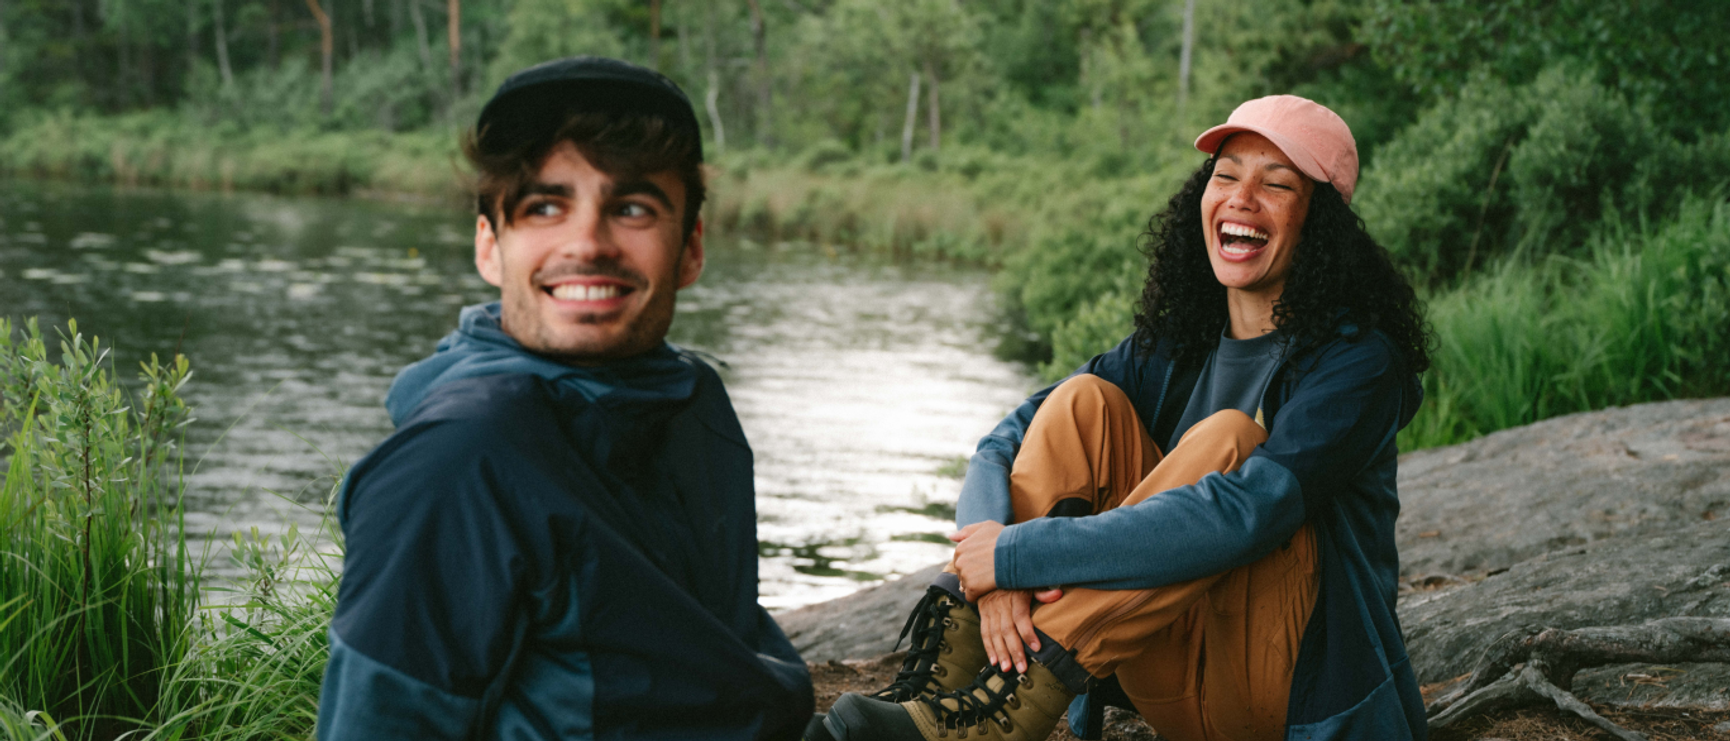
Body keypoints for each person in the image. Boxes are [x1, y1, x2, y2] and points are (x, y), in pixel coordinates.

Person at [820, 95, 1432, 741]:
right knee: (1083, 402)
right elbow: (1005, 440)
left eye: (1276, 184)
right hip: (1163, 672)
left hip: (1280, 698)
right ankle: (939, 696)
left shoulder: (1359, 365)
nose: (1241, 197)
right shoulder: (1178, 345)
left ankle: (1012, 712)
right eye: (1225, 175)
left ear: (1321, 224)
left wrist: (1020, 553)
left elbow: (1247, 513)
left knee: (1229, 437)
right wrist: (992, 571)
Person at [315, 56, 813, 740]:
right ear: (490, 247)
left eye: (632, 207)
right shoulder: (458, 464)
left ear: (691, 248)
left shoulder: (694, 405)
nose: (587, 243)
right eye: (544, 206)